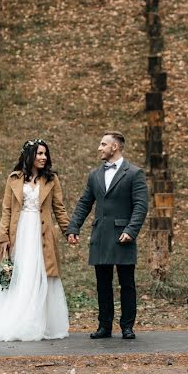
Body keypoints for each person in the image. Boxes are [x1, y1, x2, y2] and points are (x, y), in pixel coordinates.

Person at [0, 139, 71, 342]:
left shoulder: (51, 179)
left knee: (42, 275)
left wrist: (69, 231)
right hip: (21, 233)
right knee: (21, 275)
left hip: (42, 233)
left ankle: (40, 322)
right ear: (29, 155)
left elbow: (59, 208)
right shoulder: (14, 179)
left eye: (45, 154)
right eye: (39, 154)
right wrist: (3, 237)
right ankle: (19, 319)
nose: (43, 158)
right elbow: (6, 210)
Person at [66, 131, 148, 339]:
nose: (99, 148)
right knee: (103, 284)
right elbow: (85, 203)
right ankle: (105, 326)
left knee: (126, 283)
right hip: (101, 235)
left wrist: (131, 230)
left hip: (123, 236)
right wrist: (73, 228)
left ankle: (127, 327)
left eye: (103, 144)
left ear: (115, 147)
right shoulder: (94, 175)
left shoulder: (134, 173)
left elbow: (140, 206)